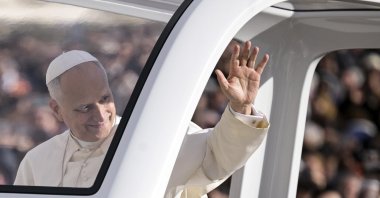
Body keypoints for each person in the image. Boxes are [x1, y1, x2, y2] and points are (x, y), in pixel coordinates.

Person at [14, 40, 270, 198]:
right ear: (57, 110)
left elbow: (219, 153)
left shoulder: (151, 138)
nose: (100, 115)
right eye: (84, 108)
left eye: (105, 99)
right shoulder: (36, 162)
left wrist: (241, 106)